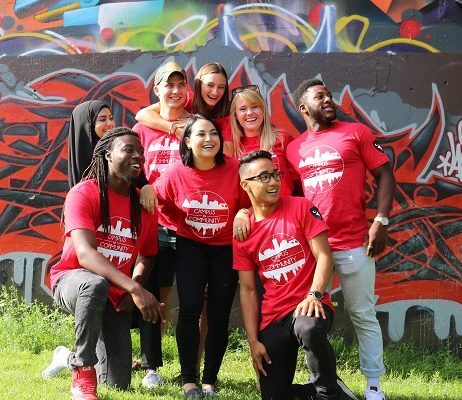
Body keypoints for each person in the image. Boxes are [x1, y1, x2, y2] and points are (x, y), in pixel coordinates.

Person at [286, 79, 396, 400]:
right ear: (304, 108)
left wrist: (381, 219)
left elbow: (385, 175)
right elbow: (293, 198)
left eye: (330, 96)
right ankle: (319, 379)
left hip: (355, 243)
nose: (329, 100)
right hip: (314, 248)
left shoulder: (356, 134)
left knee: (363, 313)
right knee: (309, 314)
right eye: (320, 97)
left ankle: (374, 386)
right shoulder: (294, 149)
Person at [49, 127, 163, 399]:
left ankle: (65, 357)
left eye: (140, 151)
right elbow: (86, 254)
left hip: (116, 294)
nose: (138, 156)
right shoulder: (84, 193)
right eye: (128, 150)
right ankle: (82, 371)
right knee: (95, 283)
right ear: (107, 155)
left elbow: (147, 254)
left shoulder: (143, 206)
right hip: (73, 281)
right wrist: (136, 290)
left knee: (118, 383)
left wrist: (131, 286)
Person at [234, 150, 358, 400]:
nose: (273, 181)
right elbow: (247, 289)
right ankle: (321, 388)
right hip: (273, 316)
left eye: (275, 174)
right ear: (245, 185)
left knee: (309, 327)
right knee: (273, 396)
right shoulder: (243, 231)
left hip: (310, 303)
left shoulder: (301, 207)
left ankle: (328, 392)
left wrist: (314, 294)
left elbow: (324, 255)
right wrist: (253, 341)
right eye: (264, 177)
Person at [154, 114, 248, 398]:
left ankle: (210, 381)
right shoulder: (175, 172)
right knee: (190, 308)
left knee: (219, 314)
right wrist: (178, 220)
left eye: (214, 134)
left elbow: (250, 203)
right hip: (190, 246)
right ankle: (189, 380)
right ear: (187, 141)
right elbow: (159, 200)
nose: (209, 139)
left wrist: (243, 213)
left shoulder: (235, 169)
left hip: (225, 249)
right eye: (201, 134)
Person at [135, 61, 233, 154]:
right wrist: (175, 129)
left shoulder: (227, 116)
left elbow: (228, 152)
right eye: (210, 85)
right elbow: (142, 114)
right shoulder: (187, 99)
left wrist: (198, 128)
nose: (215, 92)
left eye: (221, 87)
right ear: (199, 85)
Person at [229, 85, 294, 196]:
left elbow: (298, 180)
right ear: (235, 115)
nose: (249, 113)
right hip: (253, 212)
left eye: (255, 107)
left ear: (263, 110)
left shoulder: (282, 138)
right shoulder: (232, 148)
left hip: (286, 210)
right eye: (243, 109)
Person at [67, 100, 115, 188]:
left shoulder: (118, 150)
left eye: (111, 118)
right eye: (102, 119)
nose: (110, 123)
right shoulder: (79, 157)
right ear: (87, 125)